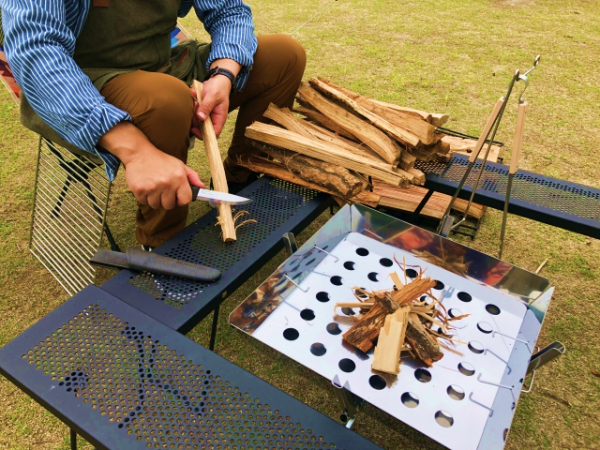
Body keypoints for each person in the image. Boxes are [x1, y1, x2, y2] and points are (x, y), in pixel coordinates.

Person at [1, 0, 306, 247]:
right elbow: (36, 51)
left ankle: (242, 180)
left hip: (166, 64)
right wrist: (136, 153)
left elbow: (229, 10)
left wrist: (223, 74)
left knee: (283, 55)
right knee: (165, 100)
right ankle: (162, 241)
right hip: (82, 82)